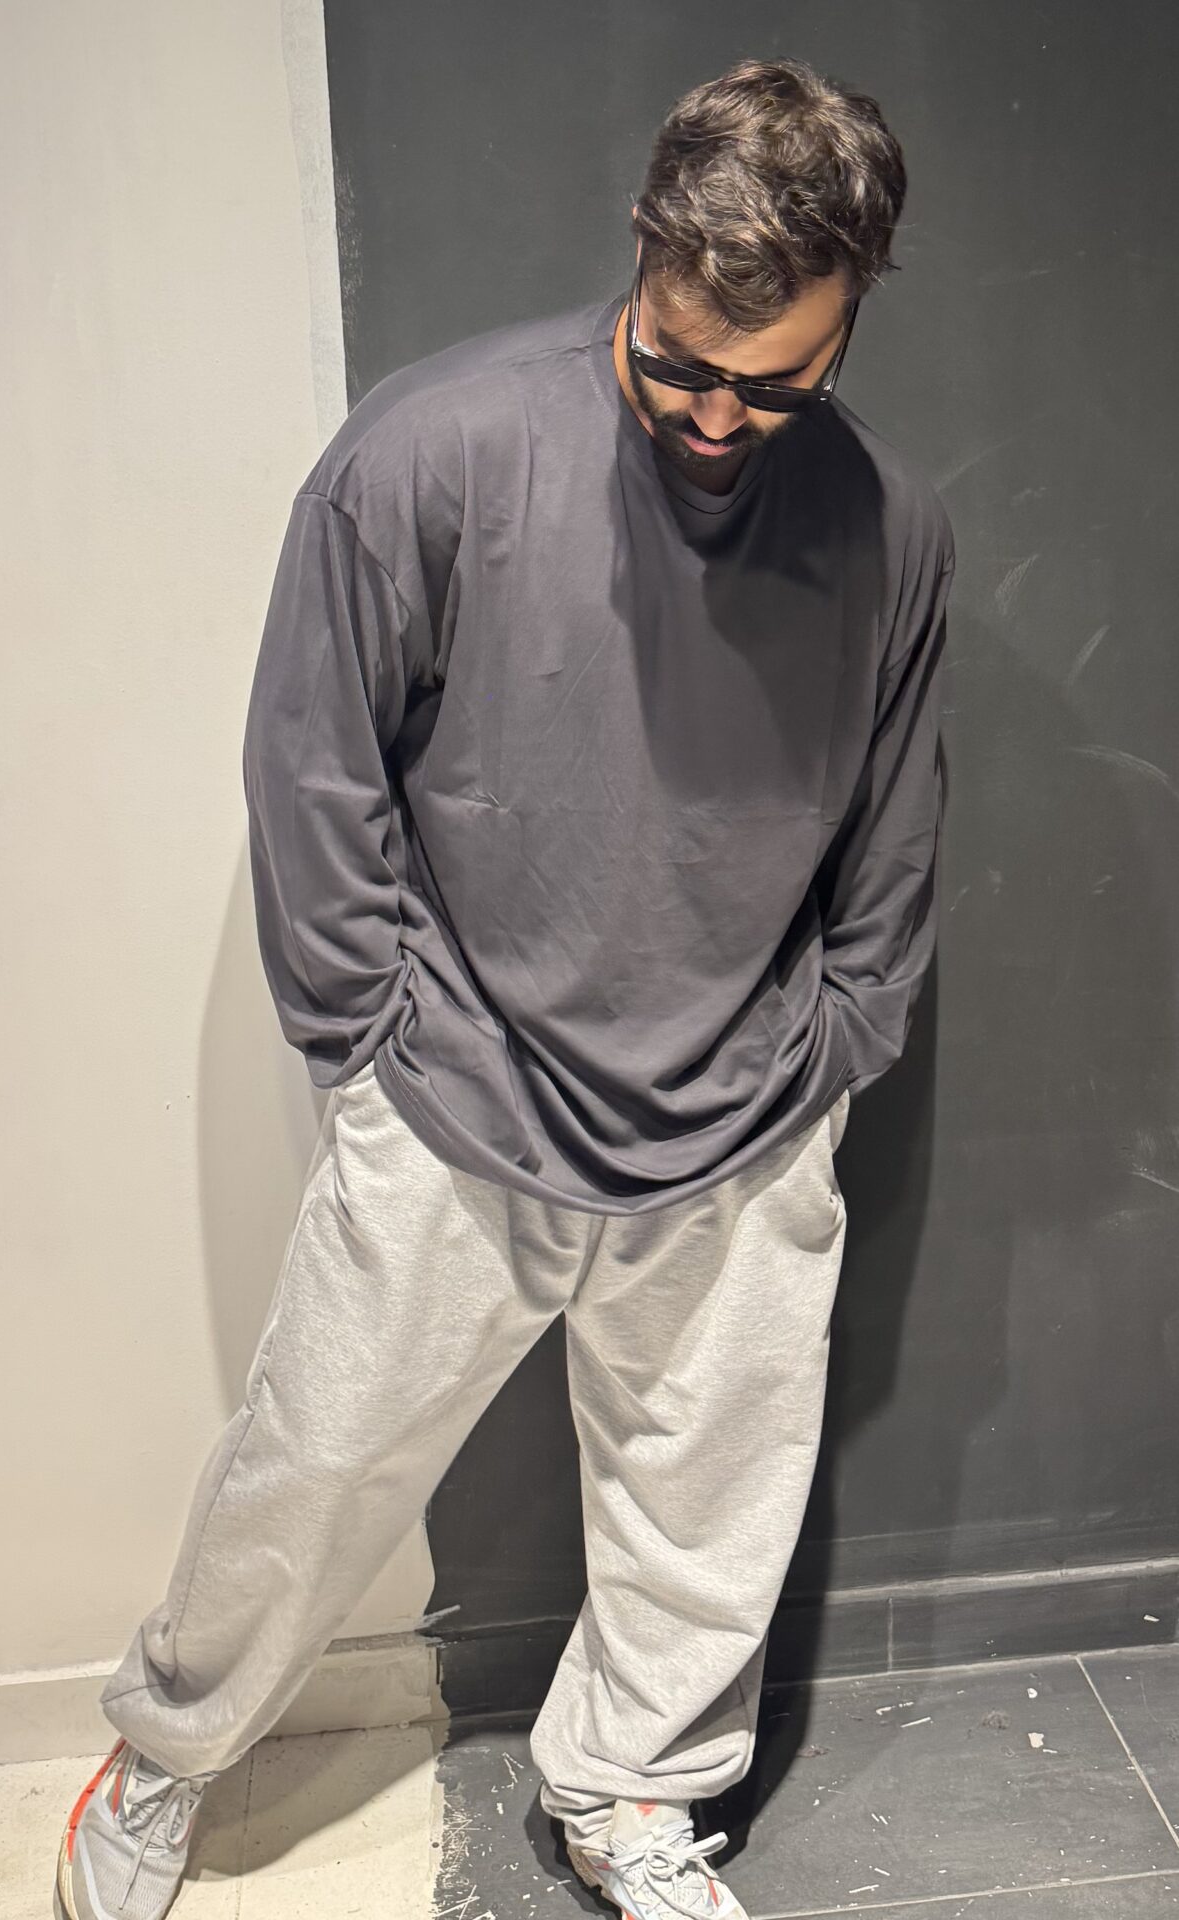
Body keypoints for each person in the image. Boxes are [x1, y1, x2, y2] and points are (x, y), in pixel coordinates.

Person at [53, 54, 954, 1920]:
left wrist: (843, 1037)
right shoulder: (432, 453)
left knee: (710, 1505)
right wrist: (370, 1041)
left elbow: (897, 804)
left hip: (747, 1108)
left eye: (777, 383)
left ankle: (633, 1793)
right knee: (313, 1467)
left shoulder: (885, 524)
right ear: (642, 250)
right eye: (682, 364)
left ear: (853, 311)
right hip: (461, 1083)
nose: (719, 415)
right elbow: (314, 760)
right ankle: (168, 1757)